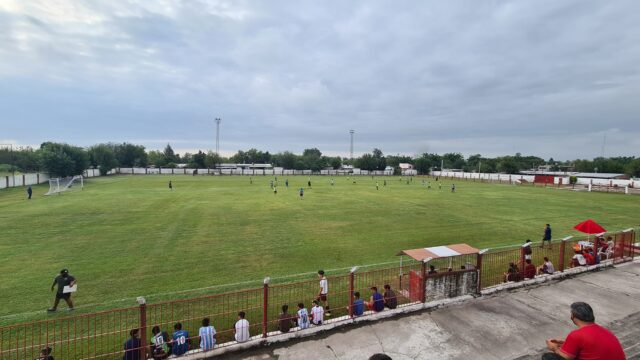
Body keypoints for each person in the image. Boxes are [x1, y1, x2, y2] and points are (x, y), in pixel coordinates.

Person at [542, 302, 625, 360]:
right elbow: (590, 346)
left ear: (573, 316)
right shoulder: (605, 331)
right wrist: (566, 343)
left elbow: (565, 357)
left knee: (548, 357)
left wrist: (554, 348)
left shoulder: (576, 335)